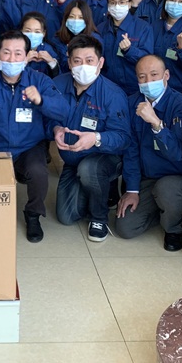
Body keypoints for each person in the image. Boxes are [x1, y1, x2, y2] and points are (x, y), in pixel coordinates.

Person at [0, 30, 68, 243]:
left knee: (38, 172)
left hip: (28, 145)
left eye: (18, 53)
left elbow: (63, 110)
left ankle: (33, 214)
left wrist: (41, 101)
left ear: (27, 55)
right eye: (6, 52)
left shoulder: (38, 80)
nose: (12, 58)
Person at [115, 55, 182, 251]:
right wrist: (132, 190)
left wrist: (156, 124)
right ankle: (162, 209)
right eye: (142, 77)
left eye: (154, 75)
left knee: (167, 189)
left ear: (166, 75)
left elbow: (178, 155)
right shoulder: (132, 104)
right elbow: (130, 151)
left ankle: (173, 228)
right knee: (125, 227)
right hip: (149, 178)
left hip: (181, 177)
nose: (148, 81)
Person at [51, 36, 130, 242]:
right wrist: (55, 129)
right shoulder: (57, 85)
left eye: (89, 60)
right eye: (77, 61)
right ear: (69, 63)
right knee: (66, 216)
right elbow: (46, 117)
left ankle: (99, 217)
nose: (83, 66)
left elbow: (123, 138)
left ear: (100, 63)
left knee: (88, 169)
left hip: (104, 157)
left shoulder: (113, 94)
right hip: (72, 159)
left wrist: (96, 138)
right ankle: (98, 190)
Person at [98, 0, 154, 95]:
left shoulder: (143, 27)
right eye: (112, 3)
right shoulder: (100, 29)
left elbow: (148, 59)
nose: (117, 6)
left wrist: (129, 50)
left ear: (129, 4)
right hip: (108, 87)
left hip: (135, 88)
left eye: (122, 2)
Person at [51, 0, 101, 72]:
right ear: (66, 19)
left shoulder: (95, 40)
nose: (76, 21)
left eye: (81, 18)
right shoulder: (57, 39)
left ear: (87, 20)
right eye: (72, 17)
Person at [21, 12, 60, 77]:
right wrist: (25, 61)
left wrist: (51, 62)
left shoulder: (48, 49)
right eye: (28, 31)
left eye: (37, 32)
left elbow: (58, 77)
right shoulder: (15, 49)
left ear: (44, 33)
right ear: (21, 31)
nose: (32, 35)